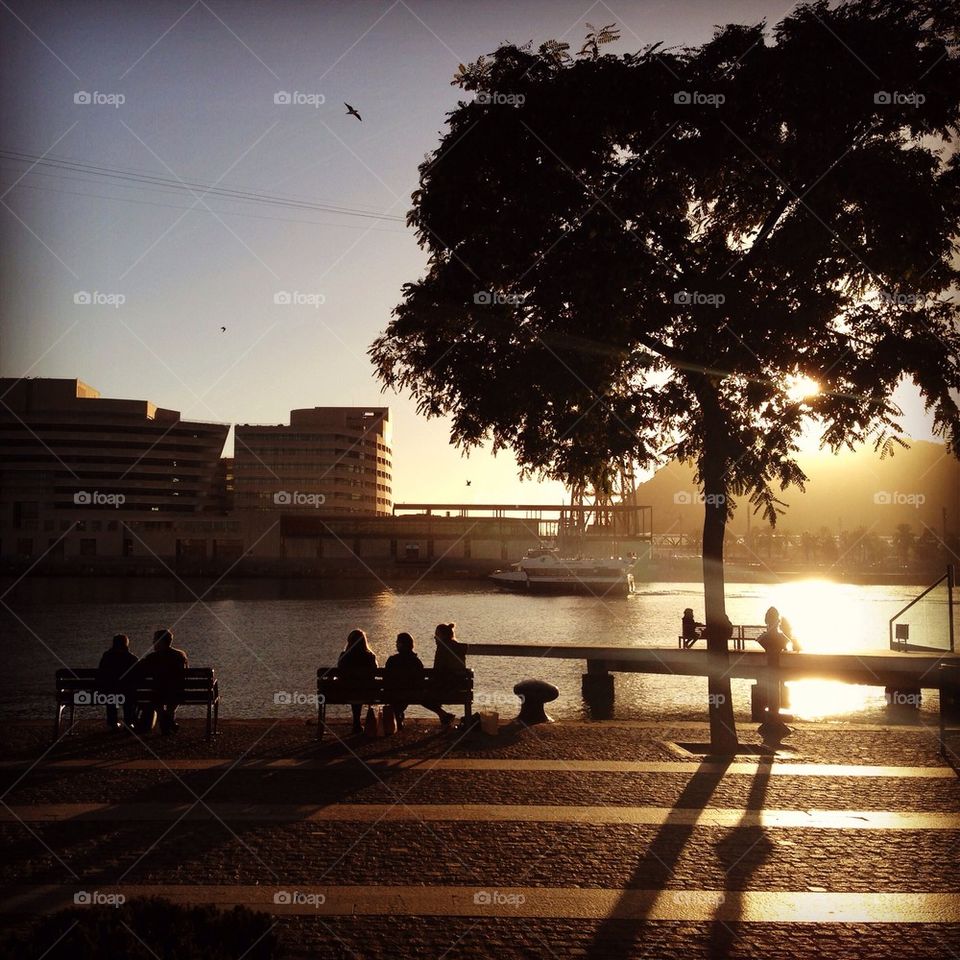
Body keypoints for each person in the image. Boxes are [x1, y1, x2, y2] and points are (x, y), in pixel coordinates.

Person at [137, 629, 188, 735]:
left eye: (155, 640)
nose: (153, 642)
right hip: (178, 692)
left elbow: (140, 670)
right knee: (171, 700)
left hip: (159, 693)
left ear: (160, 642)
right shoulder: (180, 655)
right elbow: (185, 674)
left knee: (156, 698)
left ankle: (167, 724)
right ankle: (168, 725)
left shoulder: (153, 657)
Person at [421, 622, 463, 728]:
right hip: (460, 688)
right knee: (432, 688)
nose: (435, 637)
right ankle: (443, 716)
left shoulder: (442, 648)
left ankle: (443, 715)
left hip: (446, 688)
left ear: (443, 636)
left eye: (437, 635)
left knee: (421, 694)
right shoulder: (458, 647)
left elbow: (437, 671)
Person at [337, 629, 378, 734]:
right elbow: (374, 674)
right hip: (367, 692)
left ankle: (356, 722)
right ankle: (357, 723)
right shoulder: (370, 656)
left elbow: (340, 674)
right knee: (358, 688)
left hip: (346, 693)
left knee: (353, 688)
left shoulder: (344, 656)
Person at [383, 632, 426, 730]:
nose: (396, 644)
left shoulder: (392, 660)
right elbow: (420, 680)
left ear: (401, 644)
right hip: (412, 693)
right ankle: (398, 715)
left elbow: (386, 679)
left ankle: (398, 716)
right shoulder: (416, 661)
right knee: (405, 693)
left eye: (397, 642)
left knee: (397, 693)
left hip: (392, 692)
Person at [97, 634, 138, 729]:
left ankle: (113, 722)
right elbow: (138, 676)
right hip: (127, 692)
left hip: (109, 691)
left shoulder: (107, 657)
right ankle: (129, 722)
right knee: (129, 694)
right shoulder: (132, 658)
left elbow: (101, 674)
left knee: (111, 693)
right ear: (126, 644)